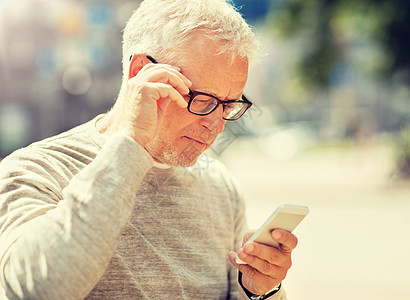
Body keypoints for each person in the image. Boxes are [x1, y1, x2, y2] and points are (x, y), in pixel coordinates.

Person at [0, 0, 299, 299]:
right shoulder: (34, 171)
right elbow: (38, 289)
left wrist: (261, 291)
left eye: (229, 105)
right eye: (204, 101)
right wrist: (131, 144)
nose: (217, 125)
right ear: (142, 72)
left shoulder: (220, 186)